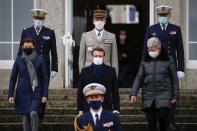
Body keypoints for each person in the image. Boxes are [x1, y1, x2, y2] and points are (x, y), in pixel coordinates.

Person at [143, 5, 184, 129]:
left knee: (171, 94)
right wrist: (144, 66)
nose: (163, 17)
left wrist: (180, 68)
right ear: (157, 16)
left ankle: (171, 121)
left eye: (165, 15)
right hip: (155, 66)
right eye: (161, 15)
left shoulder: (175, 29)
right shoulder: (151, 29)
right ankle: (157, 120)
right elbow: (145, 49)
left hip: (170, 66)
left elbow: (180, 50)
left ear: (169, 15)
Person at [130, 37, 179, 131]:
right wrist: (133, 93)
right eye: (149, 50)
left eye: (154, 49)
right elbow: (139, 77)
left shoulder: (169, 60)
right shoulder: (144, 61)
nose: (151, 51)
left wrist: (175, 96)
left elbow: (174, 79)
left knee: (162, 116)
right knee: (151, 122)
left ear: (159, 49)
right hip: (148, 94)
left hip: (164, 93)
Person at [8, 37, 49, 131]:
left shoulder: (40, 60)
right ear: (22, 47)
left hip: (36, 93)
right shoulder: (18, 60)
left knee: (33, 112)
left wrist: (45, 95)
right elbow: (13, 78)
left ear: (34, 46)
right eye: (25, 46)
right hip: (22, 93)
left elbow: (44, 79)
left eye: (30, 46)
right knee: (25, 116)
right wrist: (10, 95)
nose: (27, 48)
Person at [77, 47, 120, 115]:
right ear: (92, 56)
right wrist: (80, 109)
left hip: (106, 107)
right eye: (96, 56)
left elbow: (115, 91)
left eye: (100, 56)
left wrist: (116, 108)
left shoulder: (111, 71)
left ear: (103, 57)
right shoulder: (84, 71)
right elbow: (80, 92)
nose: (98, 58)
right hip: (88, 107)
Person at [17, 9, 58, 79]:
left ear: (44, 19)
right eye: (36, 18)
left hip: (44, 66)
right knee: (30, 89)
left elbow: (54, 52)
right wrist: (19, 66)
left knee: (44, 89)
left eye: (40, 18)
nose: (38, 20)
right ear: (33, 18)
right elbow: (21, 51)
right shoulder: (26, 32)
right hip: (29, 65)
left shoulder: (50, 32)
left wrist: (54, 68)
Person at [79, 9, 118, 75]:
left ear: (105, 21)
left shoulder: (111, 36)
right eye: (97, 20)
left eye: (101, 20)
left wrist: (115, 75)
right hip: (89, 70)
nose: (99, 22)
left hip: (106, 71)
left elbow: (114, 58)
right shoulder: (85, 36)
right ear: (93, 21)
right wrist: (81, 73)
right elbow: (81, 57)